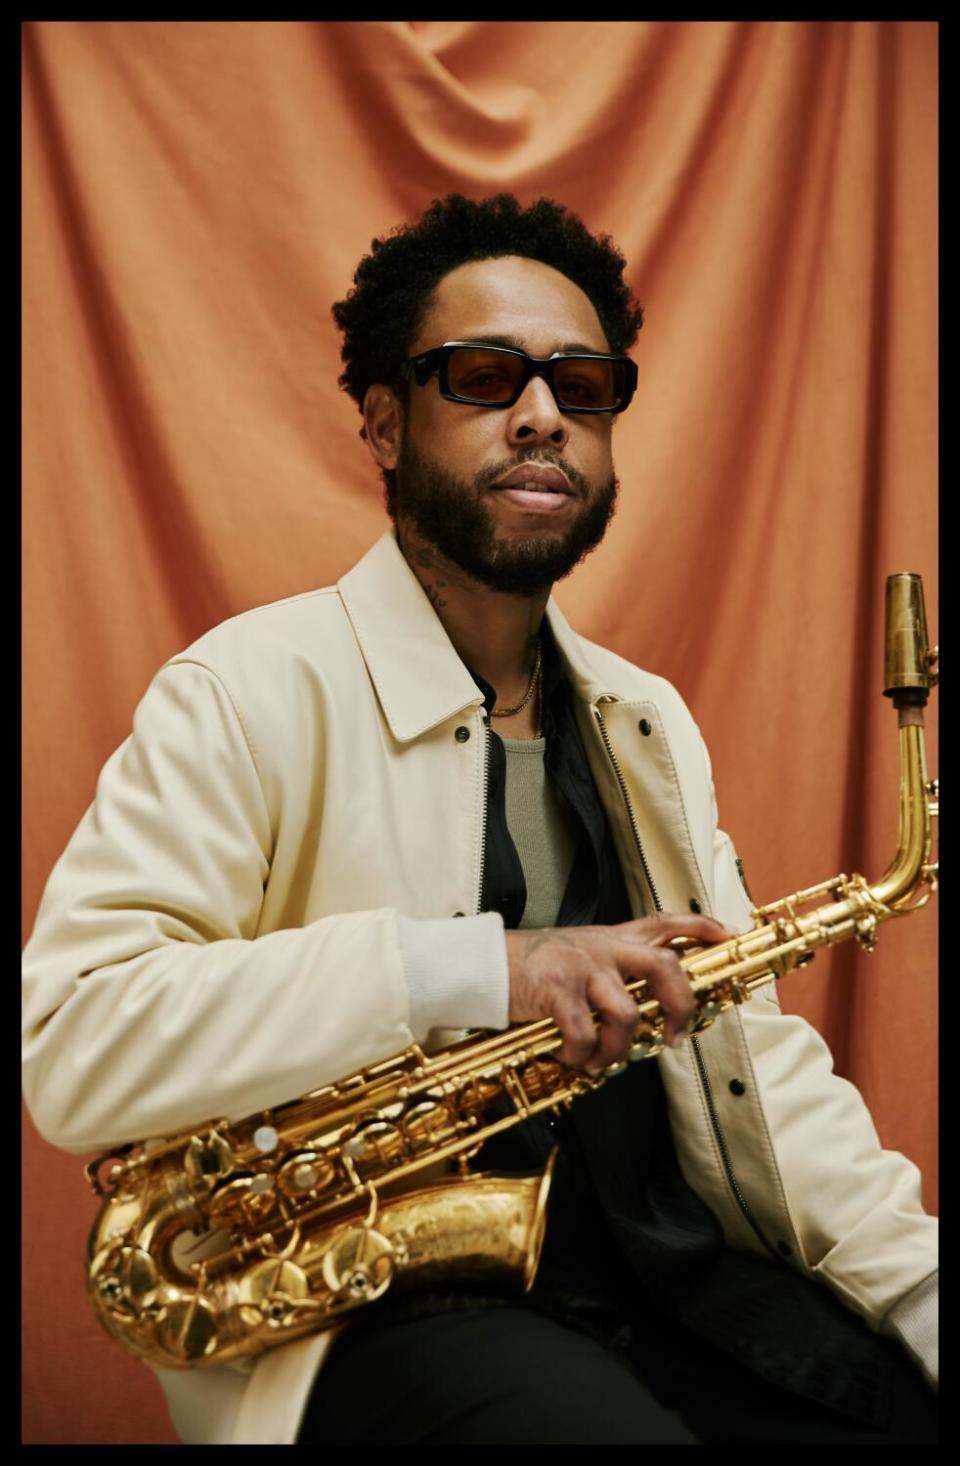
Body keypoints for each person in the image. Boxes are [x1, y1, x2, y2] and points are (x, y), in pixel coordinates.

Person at [22, 194, 937, 1445]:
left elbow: (757, 1075)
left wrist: (927, 1295)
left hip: (655, 1279)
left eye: (583, 382)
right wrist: (484, 968)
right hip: (372, 1309)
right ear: (387, 423)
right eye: (483, 375)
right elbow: (73, 1040)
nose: (542, 412)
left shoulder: (643, 718)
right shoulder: (247, 690)